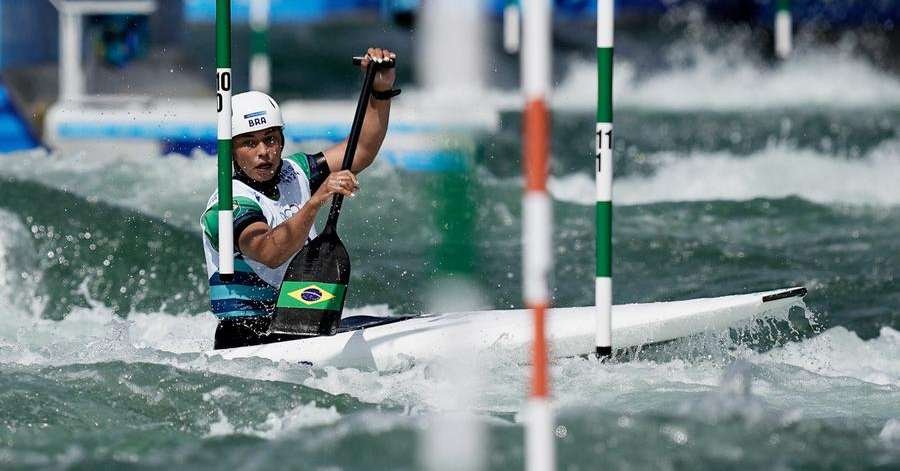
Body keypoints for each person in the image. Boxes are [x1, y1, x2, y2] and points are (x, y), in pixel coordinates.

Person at [201, 48, 399, 349]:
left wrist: (380, 90)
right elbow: (269, 251)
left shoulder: (297, 171)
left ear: (281, 141)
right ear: (231, 150)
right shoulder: (227, 205)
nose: (263, 152)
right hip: (245, 337)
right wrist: (317, 199)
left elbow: (361, 149)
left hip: (299, 323)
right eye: (249, 143)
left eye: (270, 139)